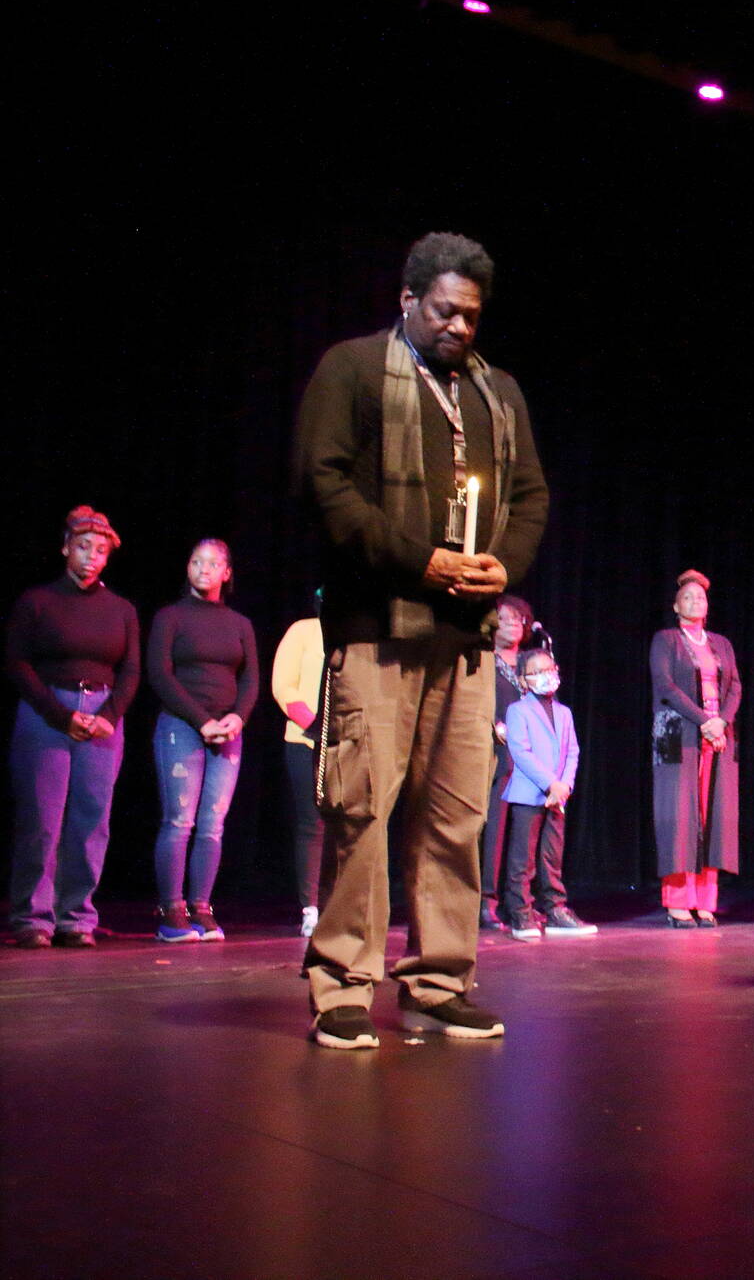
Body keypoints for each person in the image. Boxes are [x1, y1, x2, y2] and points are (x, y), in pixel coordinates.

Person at [292, 230, 550, 1049]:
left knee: (455, 815)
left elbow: (533, 495)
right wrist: (421, 562)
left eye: (472, 315)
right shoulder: (354, 368)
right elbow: (323, 484)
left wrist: (499, 567)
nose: (461, 327)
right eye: (445, 310)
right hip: (378, 628)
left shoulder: (497, 391)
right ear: (407, 301)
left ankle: (439, 979)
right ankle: (341, 983)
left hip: (466, 637)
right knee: (361, 809)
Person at [7, 506, 139, 949]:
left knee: (91, 819)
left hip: (102, 714)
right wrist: (61, 715)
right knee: (42, 819)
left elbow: (132, 669)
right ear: (66, 547)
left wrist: (109, 716)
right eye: (83, 547)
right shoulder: (38, 601)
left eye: (100, 551)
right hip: (50, 709)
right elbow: (17, 662)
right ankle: (33, 917)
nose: (91, 557)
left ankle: (76, 917)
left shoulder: (121, 609)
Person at [146, 538, 259, 942]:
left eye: (213, 564)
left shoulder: (240, 624)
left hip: (227, 732)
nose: (204, 569)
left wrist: (236, 717)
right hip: (181, 726)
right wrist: (201, 720)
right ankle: (171, 910)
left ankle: (201, 906)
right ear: (188, 568)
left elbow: (250, 679)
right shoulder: (170, 617)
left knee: (212, 826)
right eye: (196, 561)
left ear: (226, 573)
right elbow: (159, 674)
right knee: (180, 821)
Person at [650, 569, 741, 928]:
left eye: (700, 598)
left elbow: (735, 687)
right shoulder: (666, 639)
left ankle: (705, 900)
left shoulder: (722, 643)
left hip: (719, 738)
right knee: (680, 817)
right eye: (687, 597)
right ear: (676, 605)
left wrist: (721, 722)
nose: (694, 602)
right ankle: (677, 901)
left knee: (713, 818)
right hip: (679, 735)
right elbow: (666, 686)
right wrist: (704, 719)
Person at [501, 646, 594, 938]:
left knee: (551, 855)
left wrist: (564, 784)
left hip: (557, 797)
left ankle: (555, 909)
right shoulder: (517, 710)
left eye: (549, 670)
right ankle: (520, 912)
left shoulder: (564, 713)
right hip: (530, 793)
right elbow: (521, 750)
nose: (546, 676)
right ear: (524, 680)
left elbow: (573, 752)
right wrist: (549, 783)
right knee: (523, 857)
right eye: (537, 672)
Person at [271, 595, 326, 937]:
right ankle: (311, 907)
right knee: (312, 823)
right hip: (307, 741)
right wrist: (315, 725)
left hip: (349, 745)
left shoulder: (360, 640)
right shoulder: (303, 631)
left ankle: (341, 903)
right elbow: (283, 685)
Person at [480, 594, 532, 931]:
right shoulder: (483, 659)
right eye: (506, 617)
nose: (513, 624)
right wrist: (492, 724)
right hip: (496, 755)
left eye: (519, 619)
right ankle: (486, 901)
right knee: (493, 831)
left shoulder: (533, 661)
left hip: (531, 759)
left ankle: (520, 902)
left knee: (525, 835)